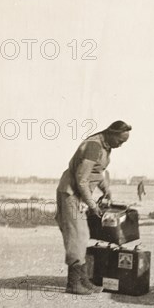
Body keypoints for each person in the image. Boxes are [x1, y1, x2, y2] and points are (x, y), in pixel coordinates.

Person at [55, 121, 132, 295]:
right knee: (77, 236)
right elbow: (81, 179)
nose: (120, 145)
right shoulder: (93, 146)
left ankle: (83, 280)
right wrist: (91, 204)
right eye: (120, 141)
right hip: (72, 193)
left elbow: (98, 172)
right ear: (111, 134)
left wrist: (106, 190)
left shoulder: (105, 146)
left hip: (79, 194)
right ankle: (74, 283)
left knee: (83, 235)